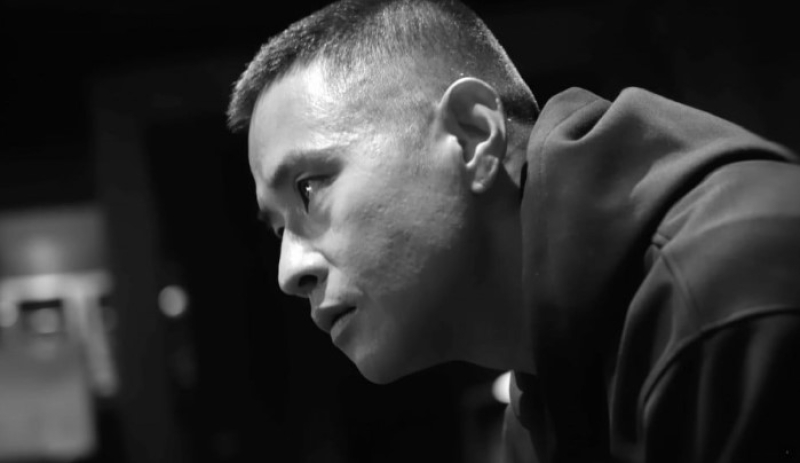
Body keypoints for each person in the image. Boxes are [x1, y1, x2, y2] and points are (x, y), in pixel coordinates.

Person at [226, 0, 800, 461]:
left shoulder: (727, 293)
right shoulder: (539, 407)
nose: (288, 272)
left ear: (473, 136)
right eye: (277, 229)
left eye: (308, 189)